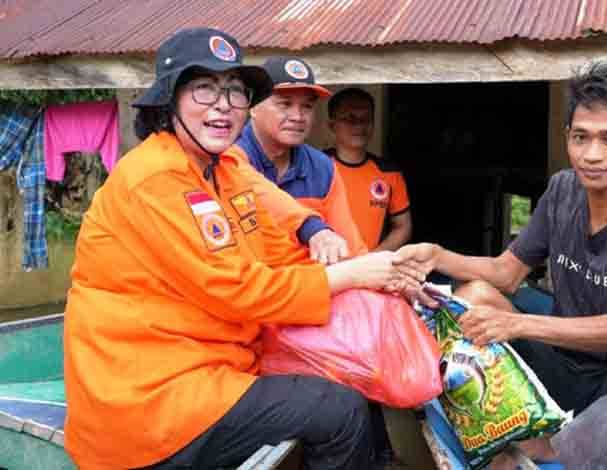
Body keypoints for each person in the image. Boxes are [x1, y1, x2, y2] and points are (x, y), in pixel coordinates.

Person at [63, 28, 424, 470]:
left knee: (342, 374)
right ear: (169, 99)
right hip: (152, 397)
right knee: (341, 412)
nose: (222, 105)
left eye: (235, 92)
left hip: (216, 365)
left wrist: (382, 276)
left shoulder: (225, 169)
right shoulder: (155, 177)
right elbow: (236, 289)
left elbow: (279, 249)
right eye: (204, 89)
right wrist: (355, 275)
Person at [396, 63, 607, 463]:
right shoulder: (563, 189)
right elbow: (507, 274)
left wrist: (519, 323)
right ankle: (510, 439)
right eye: (580, 138)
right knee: (477, 296)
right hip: (558, 365)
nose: (592, 155)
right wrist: (437, 255)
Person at [234, 56, 367, 264]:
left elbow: (352, 249)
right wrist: (312, 228)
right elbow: (251, 185)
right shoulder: (227, 152)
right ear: (252, 106)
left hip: (310, 287)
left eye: (307, 106)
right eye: (285, 104)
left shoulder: (322, 168)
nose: (298, 116)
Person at [325, 88, 412, 252]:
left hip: (371, 271)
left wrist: (372, 259)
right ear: (332, 125)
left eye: (366, 118)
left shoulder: (389, 172)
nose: (359, 125)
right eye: (350, 118)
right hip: (326, 270)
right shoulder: (315, 166)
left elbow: (403, 227)